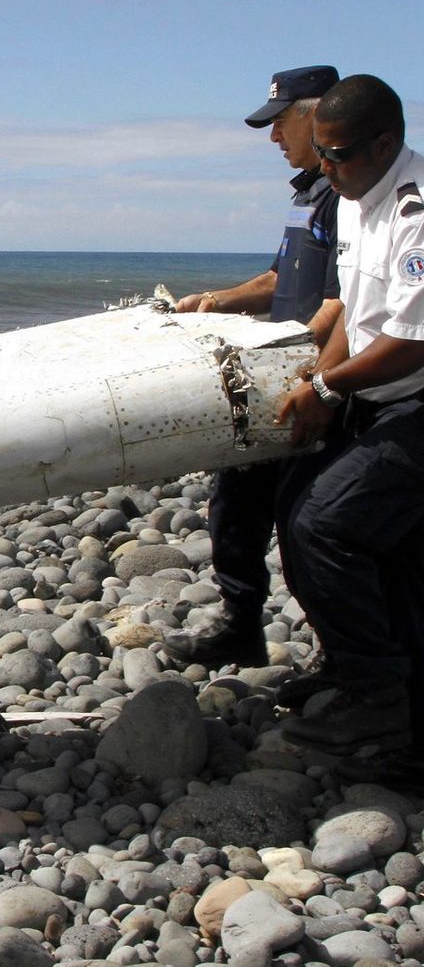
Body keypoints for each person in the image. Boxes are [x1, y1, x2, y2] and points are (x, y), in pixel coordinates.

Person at [164, 65, 343, 670]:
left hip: (319, 384)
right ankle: (241, 623)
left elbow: (347, 305)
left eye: (280, 123)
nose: (273, 138)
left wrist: (313, 377)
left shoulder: (349, 198)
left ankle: (341, 657)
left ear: (318, 116)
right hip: (279, 375)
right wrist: (215, 301)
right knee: (235, 501)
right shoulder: (306, 195)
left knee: (307, 526)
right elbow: (277, 280)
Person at [272, 74, 424, 785]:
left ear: (385, 144)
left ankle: (380, 698)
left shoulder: (414, 210)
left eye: (337, 155)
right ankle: (371, 673)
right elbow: (355, 318)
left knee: (325, 526)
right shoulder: (357, 197)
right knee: (302, 509)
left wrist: (330, 385)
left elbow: (412, 341)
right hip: (374, 395)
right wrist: (318, 388)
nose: (324, 169)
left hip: (417, 399)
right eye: (323, 157)